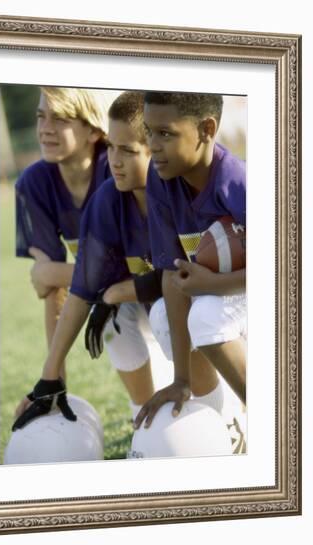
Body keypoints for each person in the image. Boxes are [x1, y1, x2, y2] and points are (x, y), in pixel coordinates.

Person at [12, 91, 223, 431]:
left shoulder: (180, 188)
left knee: (167, 313)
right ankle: (143, 417)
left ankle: (221, 416)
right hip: (154, 299)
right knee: (112, 319)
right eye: (112, 148)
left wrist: (116, 290)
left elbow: (177, 275)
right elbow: (80, 289)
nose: (115, 160)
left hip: (218, 299)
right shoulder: (107, 200)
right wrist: (50, 378)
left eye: (127, 150)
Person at [134, 91, 246, 435]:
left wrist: (211, 285)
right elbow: (171, 274)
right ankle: (225, 426)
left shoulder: (238, 183)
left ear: (206, 129)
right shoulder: (161, 179)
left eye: (165, 133)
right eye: (148, 131)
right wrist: (180, 378)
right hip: (228, 293)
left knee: (205, 316)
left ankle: (283, 422)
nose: (153, 145)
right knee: (163, 319)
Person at [15, 87, 113, 415]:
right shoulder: (35, 182)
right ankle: (140, 411)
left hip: (158, 288)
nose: (45, 128)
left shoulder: (117, 168)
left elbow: (134, 268)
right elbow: (50, 288)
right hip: (115, 293)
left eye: (61, 119)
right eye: (42, 116)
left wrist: (54, 272)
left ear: (93, 129)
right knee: (112, 319)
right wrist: (53, 382)